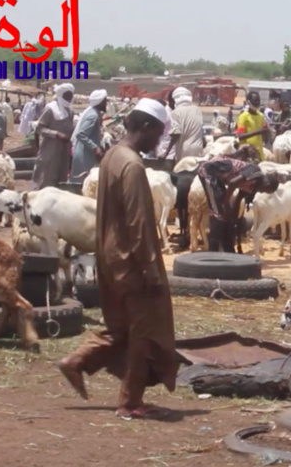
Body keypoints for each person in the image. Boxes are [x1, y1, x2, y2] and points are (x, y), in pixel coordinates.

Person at [57, 98, 178, 420]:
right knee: (143, 330)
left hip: (110, 256)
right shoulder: (133, 165)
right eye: (159, 133)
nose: (159, 140)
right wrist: (152, 269)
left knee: (121, 327)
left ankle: (77, 362)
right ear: (147, 127)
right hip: (132, 261)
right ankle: (130, 401)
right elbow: (139, 222)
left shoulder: (112, 157)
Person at [198, 148, 279, 253]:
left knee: (225, 215)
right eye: (265, 190)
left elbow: (238, 198)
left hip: (219, 178)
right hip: (208, 171)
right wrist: (226, 204)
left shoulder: (253, 188)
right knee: (218, 211)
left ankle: (228, 249)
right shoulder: (255, 172)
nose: (262, 192)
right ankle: (213, 250)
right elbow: (232, 183)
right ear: (266, 184)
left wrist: (233, 218)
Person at [32, 83, 75, 189]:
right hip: (50, 151)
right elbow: (39, 128)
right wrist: (56, 134)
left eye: (70, 96)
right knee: (47, 180)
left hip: (64, 151)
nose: (69, 98)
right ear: (61, 95)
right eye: (67, 96)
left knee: (61, 182)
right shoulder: (50, 109)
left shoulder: (69, 111)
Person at [69, 89, 108, 182]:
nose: (106, 103)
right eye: (105, 101)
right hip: (85, 155)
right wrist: (95, 148)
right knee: (85, 182)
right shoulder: (93, 116)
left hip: (87, 152)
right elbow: (81, 134)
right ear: (100, 102)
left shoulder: (93, 113)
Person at [163, 87, 204, 160]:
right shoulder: (197, 110)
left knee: (183, 170)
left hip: (185, 151)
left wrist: (166, 153)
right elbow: (200, 129)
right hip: (198, 148)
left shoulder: (175, 112)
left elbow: (176, 134)